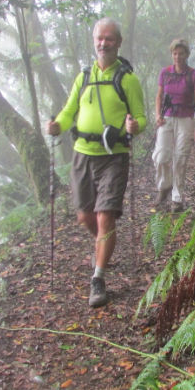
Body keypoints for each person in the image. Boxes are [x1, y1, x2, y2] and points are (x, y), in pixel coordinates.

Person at [47, 18, 146, 308]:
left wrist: (133, 127)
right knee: (85, 217)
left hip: (113, 156)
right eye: (100, 39)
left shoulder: (128, 79)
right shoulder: (83, 76)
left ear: (119, 42)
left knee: (105, 217)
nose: (104, 44)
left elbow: (141, 117)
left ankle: (98, 277)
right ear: (94, 41)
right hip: (82, 153)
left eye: (109, 39)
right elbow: (68, 112)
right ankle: (103, 244)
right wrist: (57, 126)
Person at [153, 38, 195, 212]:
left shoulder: (193, 75)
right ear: (171, 54)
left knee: (180, 157)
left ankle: (177, 198)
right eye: (175, 53)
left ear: (187, 55)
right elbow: (159, 96)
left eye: (181, 53)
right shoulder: (165, 73)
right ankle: (164, 185)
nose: (178, 57)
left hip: (186, 118)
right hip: (166, 117)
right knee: (161, 156)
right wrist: (157, 114)